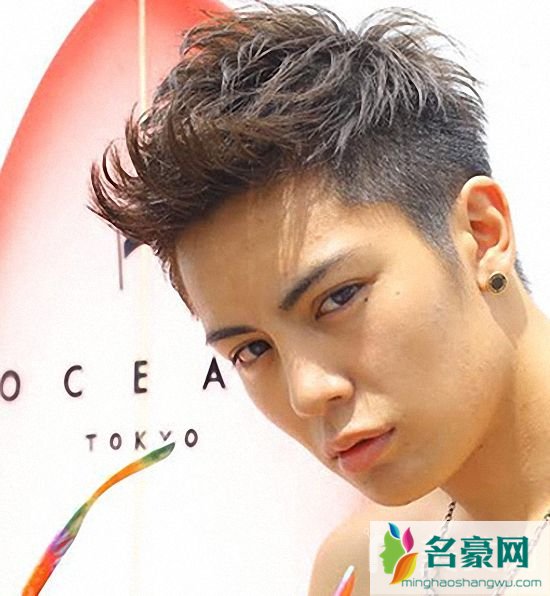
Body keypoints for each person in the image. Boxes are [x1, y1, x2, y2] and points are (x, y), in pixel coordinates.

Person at [90, 5, 550, 593]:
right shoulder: (374, 566)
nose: (307, 393)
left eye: (338, 299)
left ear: (483, 235)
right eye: (252, 350)